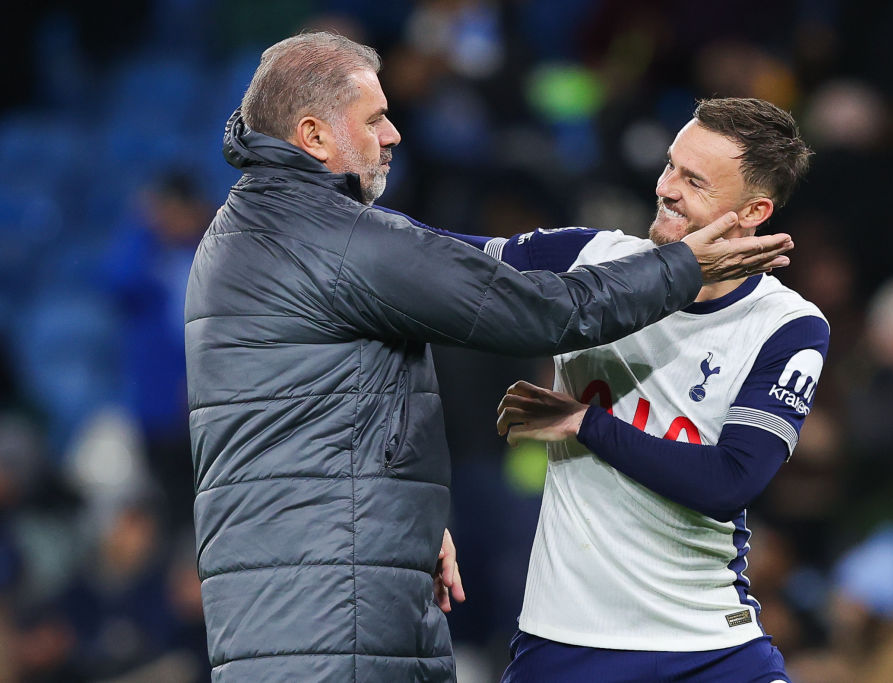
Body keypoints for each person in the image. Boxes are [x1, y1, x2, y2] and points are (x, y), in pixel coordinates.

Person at [184, 34, 793, 682]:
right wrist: (681, 267)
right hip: (330, 623)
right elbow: (543, 311)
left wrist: (404, 522)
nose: (392, 135)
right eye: (374, 119)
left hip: (310, 597)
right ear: (313, 135)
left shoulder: (246, 232)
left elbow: (309, 418)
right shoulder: (337, 243)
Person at [484, 98, 826, 682]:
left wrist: (584, 422)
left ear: (753, 210)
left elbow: (729, 481)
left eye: (694, 180)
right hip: (569, 641)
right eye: (671, 165)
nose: (666, 187)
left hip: (710, 645)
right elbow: (438, 258)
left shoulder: (786, 326)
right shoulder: (589, 260)